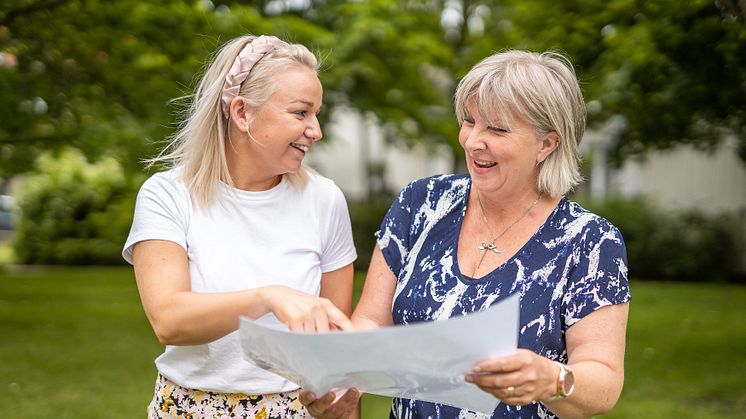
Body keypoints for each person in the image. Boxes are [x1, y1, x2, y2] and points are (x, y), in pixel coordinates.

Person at [347, 50, 631, 418]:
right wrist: (342, 379)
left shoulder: (591, 242)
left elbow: (603, 383)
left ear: (547, 143)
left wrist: (551, 379)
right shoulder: (421, 203)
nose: (472, 141)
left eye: (497, 129)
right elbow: (370, 320)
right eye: (469, 121)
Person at [122, 34, 360, 418]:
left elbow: (332, 345)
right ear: (241, 112)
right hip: (189, 407)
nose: (316, 130)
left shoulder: (325, 199)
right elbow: (169, 320)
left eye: (317, 114)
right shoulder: (167, 195)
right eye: (301, 113)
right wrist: (268, 297)